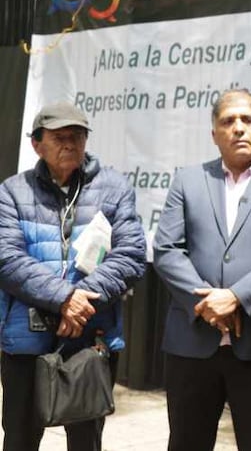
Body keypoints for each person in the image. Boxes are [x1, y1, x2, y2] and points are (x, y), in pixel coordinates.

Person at [154, 89, 251, 451]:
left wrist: (236, 297)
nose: (238, 128)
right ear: (214, 134)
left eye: (247, 120)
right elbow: (166, 249)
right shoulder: (187, 179)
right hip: (191, 343)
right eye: (228, 121)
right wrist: (208, 304)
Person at [0, 101, 146, 451]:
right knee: (20, 437)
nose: (69, 144)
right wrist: (65, 299)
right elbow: (7, 257)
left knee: (85, 440)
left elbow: (132, 255)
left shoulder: (114, 188)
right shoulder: (12, 192)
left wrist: (81, 302)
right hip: (26, 342)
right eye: (59, 137)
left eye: (77, 136)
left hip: (90, 336)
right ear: (36, 144)